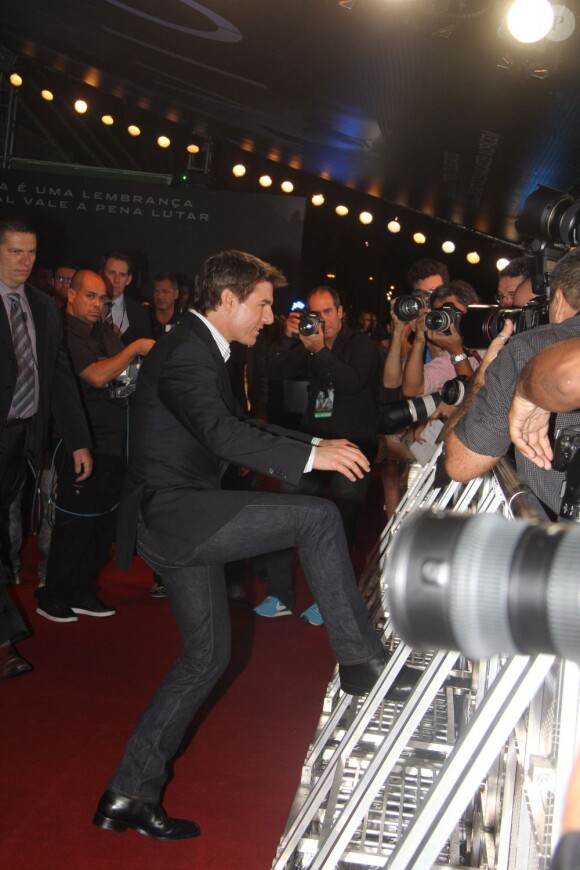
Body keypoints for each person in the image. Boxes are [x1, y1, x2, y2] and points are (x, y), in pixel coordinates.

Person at [93, 251, 418, 842]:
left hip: (178, 515)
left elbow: (240, 424)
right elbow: (222, 432)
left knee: (206, 659)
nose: (271, 317)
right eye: (264, 303)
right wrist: (311, 455)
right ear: (227, 300)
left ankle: (129, 793)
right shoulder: (190, 350)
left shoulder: (200, 346)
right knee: (318, 519)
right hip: (175, 514)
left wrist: (318, 442)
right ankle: (363, 663)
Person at [0, 217, 92, 679]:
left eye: (31, 252)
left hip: (21, 441)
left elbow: (58, 379)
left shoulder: (42, 306)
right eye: (16, 251)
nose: (25, 261)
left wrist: (77, 441)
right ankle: (4, 642)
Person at [35, 270, 155, 623]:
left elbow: (123, 377)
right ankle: (52, 593)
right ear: (71, 294)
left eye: (102, 298)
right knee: (74, 524)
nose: (97, 304)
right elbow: (97, 375)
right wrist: (134, 348)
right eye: (90, 296)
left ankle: (81, 590)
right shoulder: (62, 330)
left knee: (104, 525)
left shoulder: (104, 330)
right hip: (81, 441)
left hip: (116, 441)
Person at [256, 285, 380, 624]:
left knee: (339, 526)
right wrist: (286, 338)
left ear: (341, 312)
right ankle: (280, 593)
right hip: (314, 443)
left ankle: (330, 601)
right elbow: (273, 370)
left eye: (327, 312)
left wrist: (321, 350)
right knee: (287, 509)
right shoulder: (308, 342)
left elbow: (352, 382)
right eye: (315, 313)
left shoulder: (361, 345)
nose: (321, 319)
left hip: (353, 446)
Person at [445, 249, 580, 516]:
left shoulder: (530, 347)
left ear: (559, 300)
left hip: (558, 545)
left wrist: (486, 373)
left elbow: (461, 464)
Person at [100, 250, 152, 344]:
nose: (116, 280)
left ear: (128, 279)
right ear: (101, 274)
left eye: (122, 275)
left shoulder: (140, 313)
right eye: (112, 273)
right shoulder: (85, 305)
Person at [148, 272, 182, 339]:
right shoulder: (144, 318)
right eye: (156, 291)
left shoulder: (183, 321)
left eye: (165, 292)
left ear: (176, 294)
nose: (160, 296)